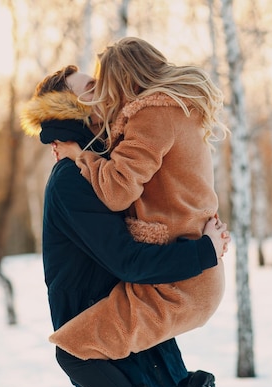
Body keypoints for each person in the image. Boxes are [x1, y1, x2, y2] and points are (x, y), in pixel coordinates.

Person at [20, 66, 228, 387]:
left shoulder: (107, 169)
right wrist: (203, 251)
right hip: (103, 356)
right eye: (90, 87)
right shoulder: (72, 179)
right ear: (70, 107)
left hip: (140, 347)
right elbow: (128, 261)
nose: (102, 89)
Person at [49, 37, 228, 366]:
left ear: (122, 80)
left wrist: (81, 157)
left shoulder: (153, 115)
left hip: (178, 280)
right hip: (187, 273)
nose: (101, 96)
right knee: (119, 353)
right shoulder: (175, 109)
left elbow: (117, 193)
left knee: (73, 349)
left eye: (102, 85)